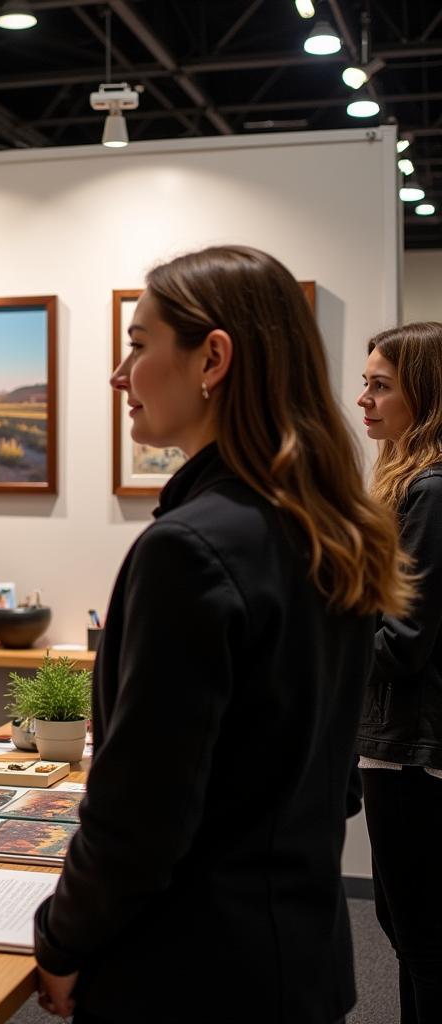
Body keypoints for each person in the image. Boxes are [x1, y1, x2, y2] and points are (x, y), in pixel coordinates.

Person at [33, 245, 411, 1024]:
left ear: (213, 357)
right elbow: (334, 785)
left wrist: (62, 941)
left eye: (138, 344)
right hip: (300, 960)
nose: (118, 374)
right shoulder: (332, 529)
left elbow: (142, 816)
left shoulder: (191, 549)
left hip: (192, 976)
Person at [356, 321, 442, 1023]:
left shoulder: (430, 493)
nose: (364, 400)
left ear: (427, 393)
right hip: (402, 747)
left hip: (413, 753)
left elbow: (400, 642)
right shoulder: (411, 487)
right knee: (409, 932)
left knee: (420, 937)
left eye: (380, 385)